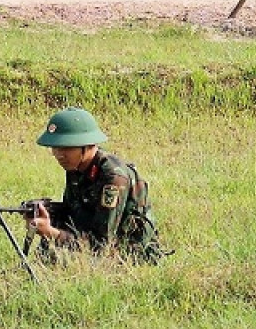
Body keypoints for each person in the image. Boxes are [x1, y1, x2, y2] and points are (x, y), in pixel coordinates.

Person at [24, 108, 163, 262]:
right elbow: (73, 211)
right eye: (55, 148)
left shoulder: (114, 179)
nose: (59, 154)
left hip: (129, 251)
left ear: (87, 146)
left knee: (59, 258)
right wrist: (44, 210)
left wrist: (51, 232)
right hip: (98, 239)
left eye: (66, 148)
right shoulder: (76, 166)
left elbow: (101, 244)